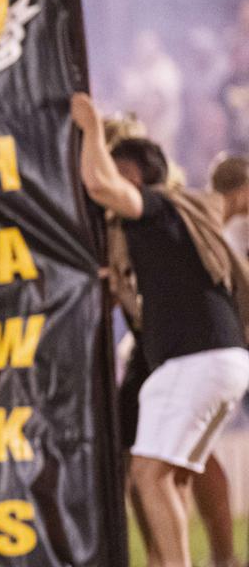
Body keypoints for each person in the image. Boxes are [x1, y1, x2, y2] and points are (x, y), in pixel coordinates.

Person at [72, 93, 249, 567]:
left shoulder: (152, 209)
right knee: (172, 474)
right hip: (220, 356)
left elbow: (101, 185)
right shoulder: (170, 220)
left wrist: (89, 126)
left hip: (193, 357)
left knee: (147, 475)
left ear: (131, 173)